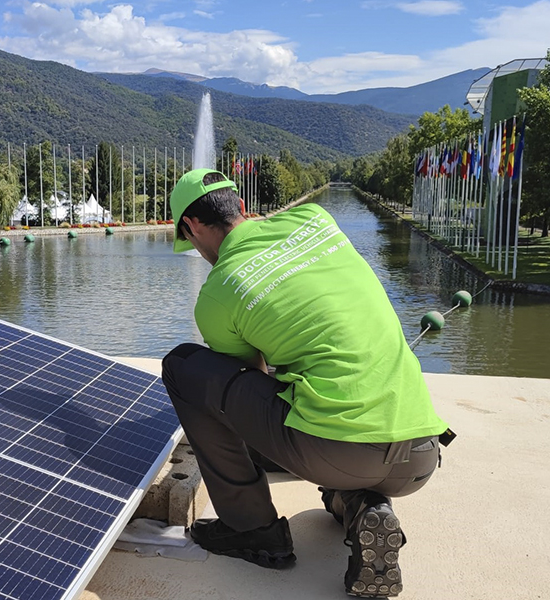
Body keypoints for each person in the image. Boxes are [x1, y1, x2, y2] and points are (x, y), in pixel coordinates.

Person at [161, 169, 453, 598]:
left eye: (191, 242)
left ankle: (252, 528)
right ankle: (363, 509)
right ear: (242, 207)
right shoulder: (316, 218)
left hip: (338, 452)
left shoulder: (219, 292)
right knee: (335, 433)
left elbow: (249, 385)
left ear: (192, 226)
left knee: (185, 365)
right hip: (420, 455)